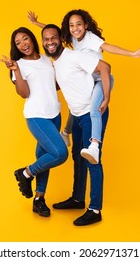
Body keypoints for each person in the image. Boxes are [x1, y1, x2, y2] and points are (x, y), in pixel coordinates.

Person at [29, 10, 140, 164]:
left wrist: (131, 54)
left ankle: (94, 145)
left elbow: (109, 47)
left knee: (93, 109)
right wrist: (36, 24)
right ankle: (66, 133)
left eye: (79, 24)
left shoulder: (91, 38)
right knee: (76, 107)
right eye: (71, 25)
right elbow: (53, 34)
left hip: (101, 79)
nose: (75, 28)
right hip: (89, 80)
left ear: (85, 25)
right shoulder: (73, 38)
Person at [41, 24, 111, 226]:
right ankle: (78, 198)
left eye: (54, 37)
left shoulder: (74, 56)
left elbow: (105, 68)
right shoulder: (56, 63)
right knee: (78, 157)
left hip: (92, 114)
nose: (50, 42)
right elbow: (61, 84)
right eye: (46, 39)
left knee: (93, 160)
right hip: (77, 115)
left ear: (60, 39)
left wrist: (106, 97)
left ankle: (95, 209)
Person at [0, 27, 68, 217]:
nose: (23, 44)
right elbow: (24, 93)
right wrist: (16, 71)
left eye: (25, 39)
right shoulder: (18, 65)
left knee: (45, 157)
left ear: (32, 39)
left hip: (54, 113)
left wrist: (72, 78)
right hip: (37, 116)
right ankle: (25, 174)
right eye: (18, 43)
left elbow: (53, 85)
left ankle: (39, 199)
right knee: (60, 153)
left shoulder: (47, 59)